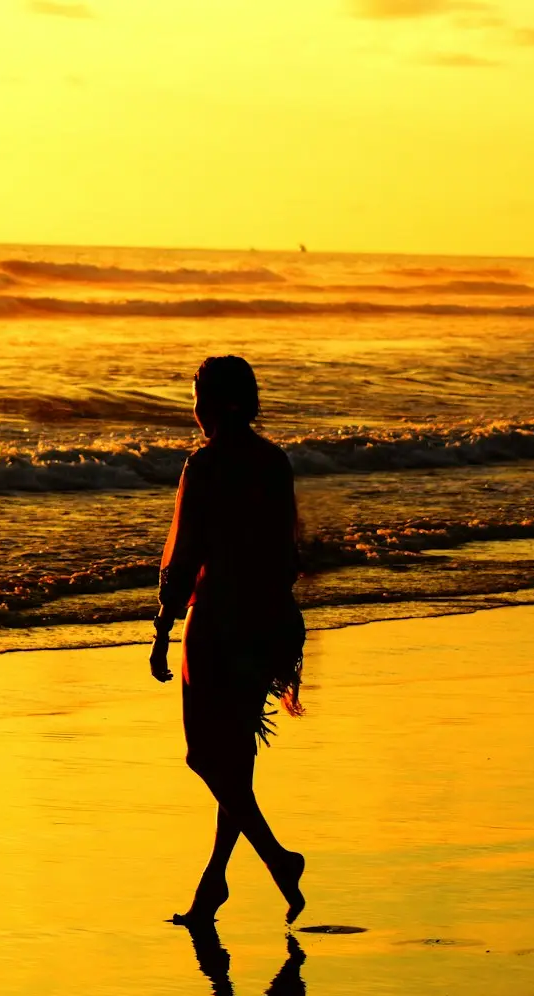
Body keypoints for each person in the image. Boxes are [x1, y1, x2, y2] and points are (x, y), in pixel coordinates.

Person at [150, 355, 308, 925]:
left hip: (219, 621)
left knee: (204, 756)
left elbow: (185, 555)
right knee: (235, 762)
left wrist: (164, 629)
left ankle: (276, 859)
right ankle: (213, 885)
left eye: (196, 394)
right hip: (270, 620)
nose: (194, 406)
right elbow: (288, 553)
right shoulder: (274, 462)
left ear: (212, 403)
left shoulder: (206, 465)